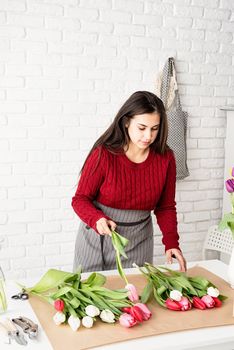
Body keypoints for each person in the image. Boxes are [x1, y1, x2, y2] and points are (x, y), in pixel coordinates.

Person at [72, 91, 187, 273]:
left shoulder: (166, 158)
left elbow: (165, 207)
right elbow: (80, 199)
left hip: (139, 241)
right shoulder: (104, 154)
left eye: (154, 128)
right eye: (142, 128)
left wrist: (172, 243)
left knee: (136, 296)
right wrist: (97, 219)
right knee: (90, 297)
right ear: (126, 122)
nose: (148, 136)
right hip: (97, 238)